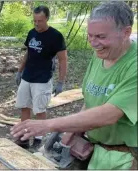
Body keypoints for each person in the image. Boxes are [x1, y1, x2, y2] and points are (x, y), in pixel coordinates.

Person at [11, 1, 137, 169]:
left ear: (126, 32)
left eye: (101, 36)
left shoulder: (134, 65)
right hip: (97, 152)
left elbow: (110, 114)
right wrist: (72, 131)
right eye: (90, 35)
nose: (93, 42)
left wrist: (48, 124)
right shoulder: (100, 54)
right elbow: (91, 102)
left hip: (125, 159)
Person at [15, 5, 68, 147]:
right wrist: (20, 71)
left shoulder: (56, 36)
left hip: (43, 79)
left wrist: (60, 81)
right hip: (27, 76)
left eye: (40, 21)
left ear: (47, 19)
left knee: (40, 110)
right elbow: (28, 53)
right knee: (24, 106)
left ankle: (38, 140)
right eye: (35, 21)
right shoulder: (31, 32)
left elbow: (63, 59)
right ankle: (23, 137)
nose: (37, 24)